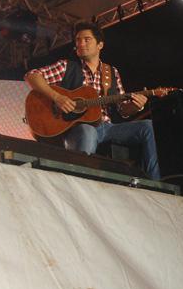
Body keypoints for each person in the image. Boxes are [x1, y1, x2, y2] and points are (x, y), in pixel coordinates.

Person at [25, 21, 161, 180]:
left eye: (86, 39)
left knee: (148, 126)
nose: (81, 43)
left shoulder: (111, 72)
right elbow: (32, 76)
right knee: (87, 131)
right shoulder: (66, 66)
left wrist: (135, 106)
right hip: (78, 128)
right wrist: (57, 97)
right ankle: (82, 182)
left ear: (100, 45)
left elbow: (122, 110)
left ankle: (154, 183)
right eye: (78, 40)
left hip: (108, 127)